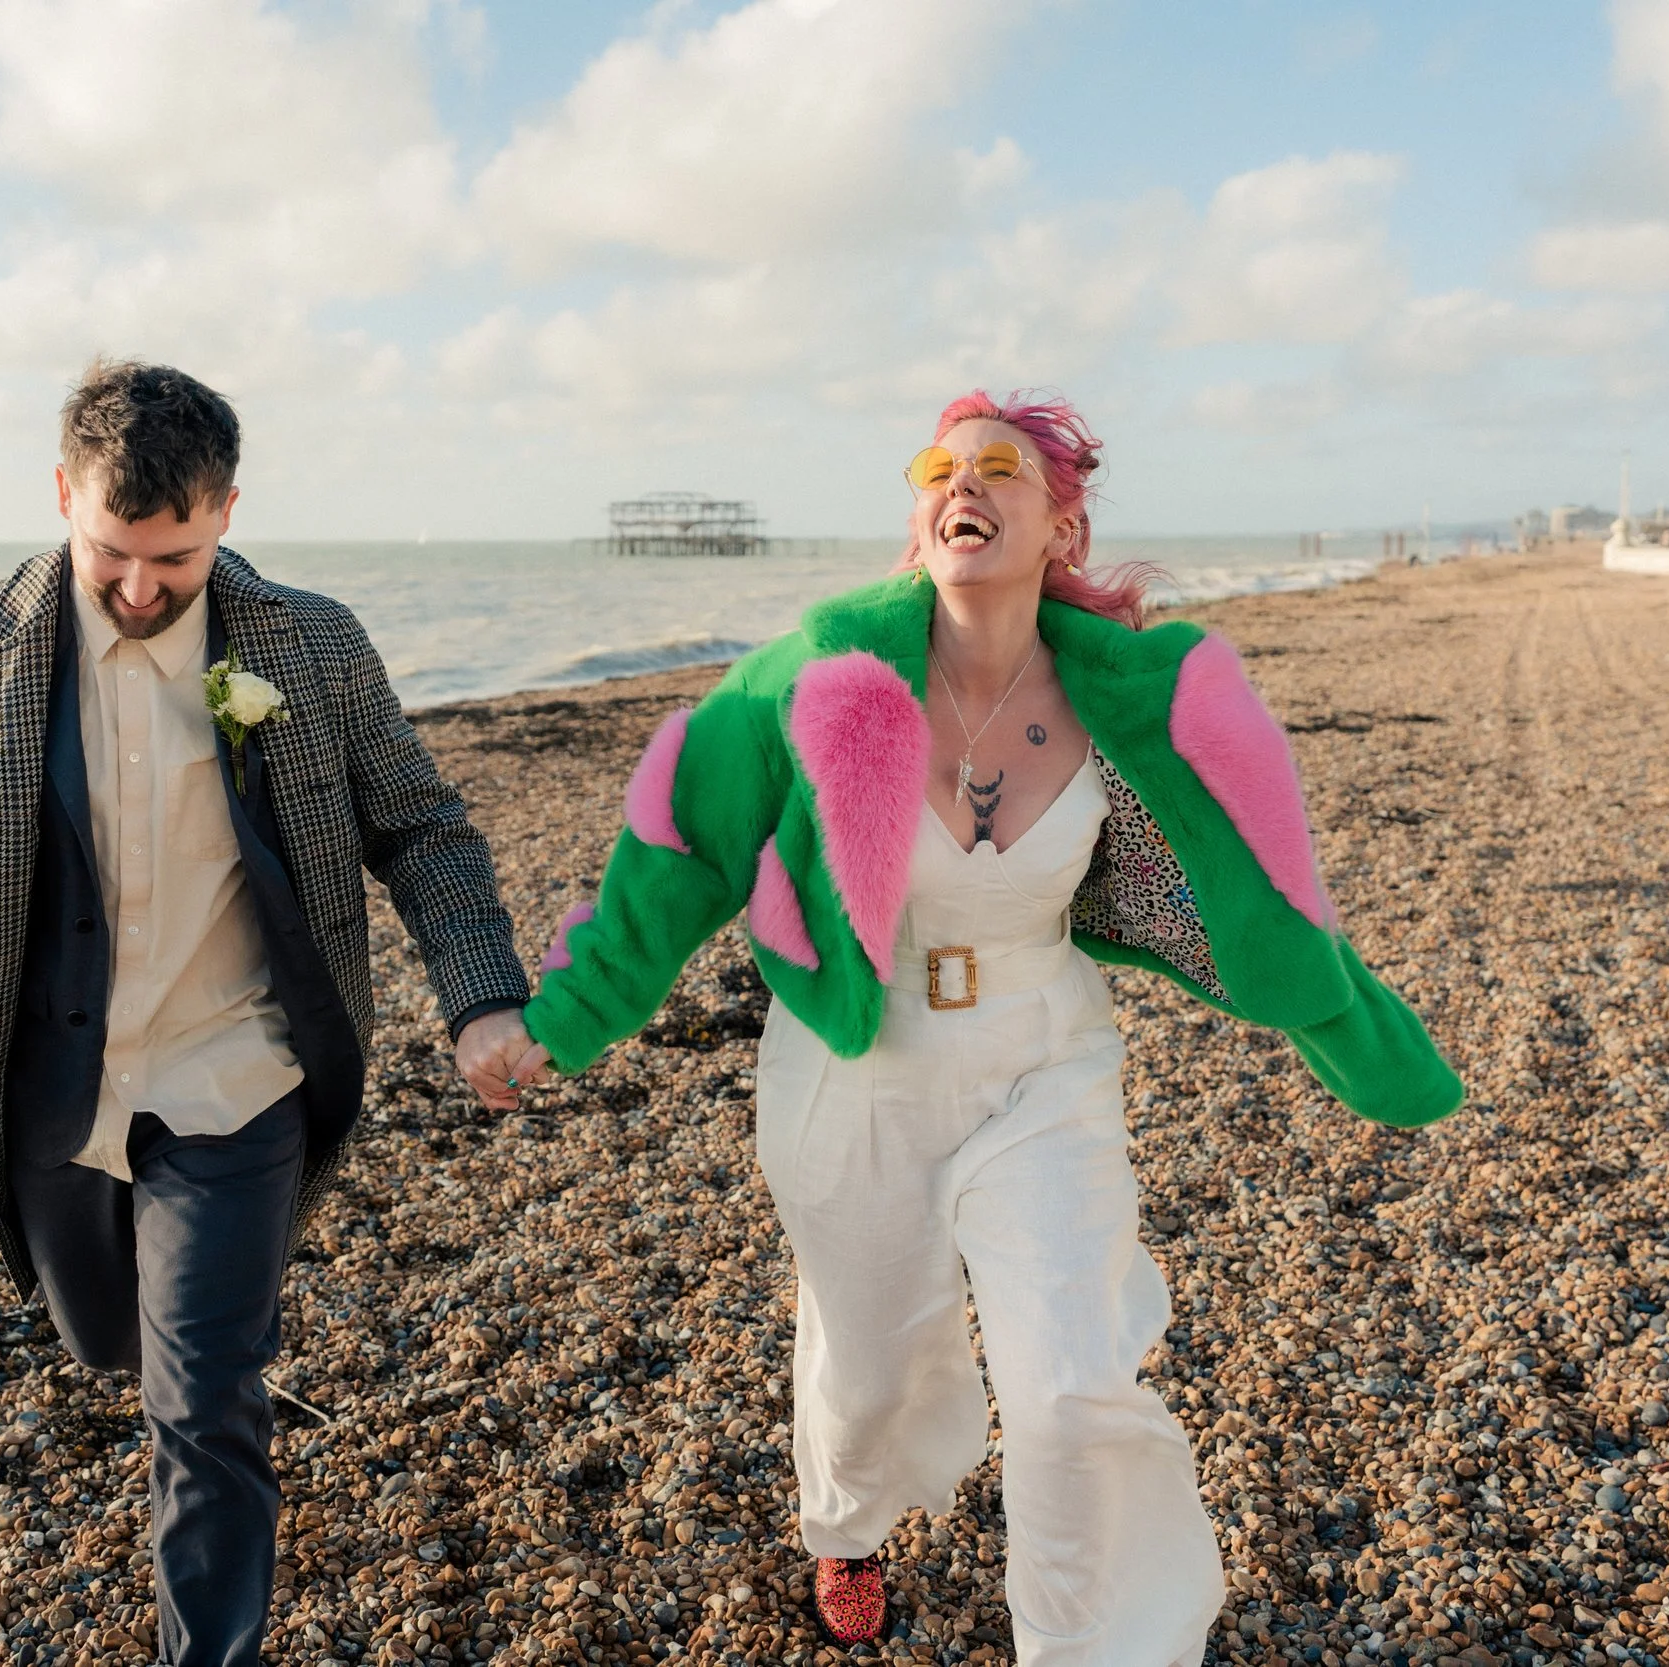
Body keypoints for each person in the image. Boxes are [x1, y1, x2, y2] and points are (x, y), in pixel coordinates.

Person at [503, 389, 1462, 1659]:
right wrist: (558, 1023)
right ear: (920, 519)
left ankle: (1092, 1640)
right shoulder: (818, 676)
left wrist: (1353, 1029)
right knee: (868, 1364)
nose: (965, 484)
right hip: (853, 1065)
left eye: (1002, 469)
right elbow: (675, 851)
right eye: (939, 468)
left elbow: (1274, 890)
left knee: (1071, 1381)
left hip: (1044, 1052)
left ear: (1061, 524)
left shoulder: (1153, 694)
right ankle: (842, 1522)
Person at [0, 358, 535, 1665]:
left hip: (238, 1069)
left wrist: (480, 1000)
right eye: (113, 551)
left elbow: (422, 825)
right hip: (48, 1088)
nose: (140, 587)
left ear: (227, 511)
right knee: (109, 1340)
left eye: (174, 555)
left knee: (206, 1401)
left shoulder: (314, 645)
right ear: (61, 494)